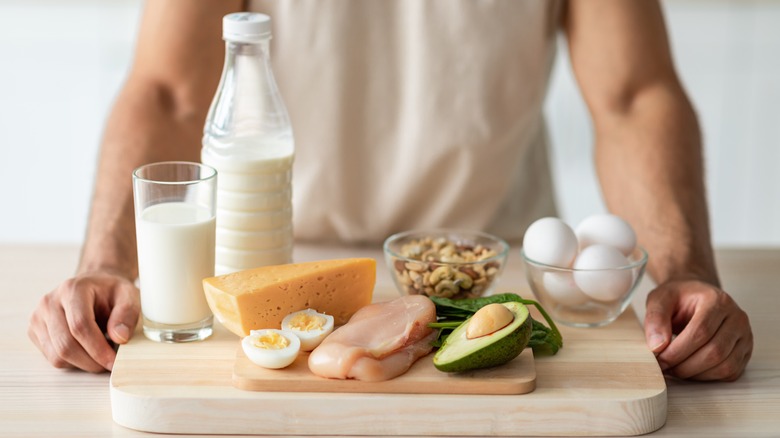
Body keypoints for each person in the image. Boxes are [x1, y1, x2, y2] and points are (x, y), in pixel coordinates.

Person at [28, 0, 753, 380]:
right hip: (279, 277)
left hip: (497, 283)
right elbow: (167, 92)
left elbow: (634, 95)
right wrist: (105, 261)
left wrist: (685, 273)